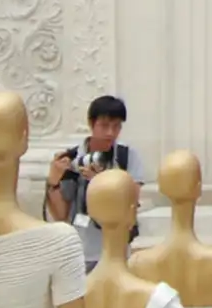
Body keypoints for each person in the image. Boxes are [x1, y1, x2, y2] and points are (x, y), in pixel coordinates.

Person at [45, 94, 148, 271]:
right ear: (91, 124)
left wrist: (101, 183)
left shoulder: (127, 156)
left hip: (115, 251)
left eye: (116, 126)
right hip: (79, 252)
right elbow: (60, 215)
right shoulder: (73, 158)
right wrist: (53, 182)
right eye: (104, 126)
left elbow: (131, 203)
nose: (110, 133)